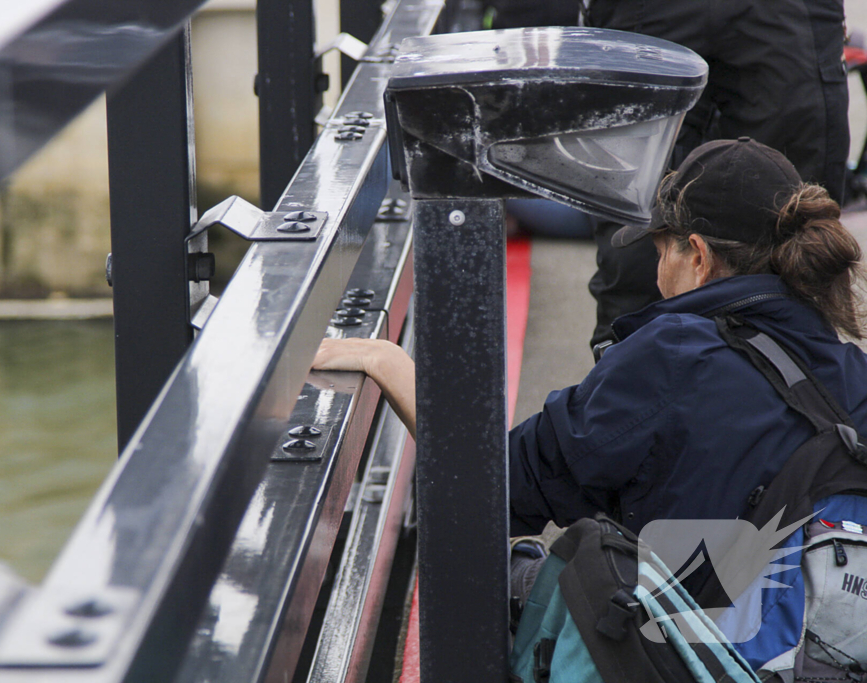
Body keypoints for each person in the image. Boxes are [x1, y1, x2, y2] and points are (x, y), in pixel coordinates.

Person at [313, 137, 867, 669]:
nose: (657, 273)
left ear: (696, 255)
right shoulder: (853, 372)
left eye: (660, 251)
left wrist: (387, 361)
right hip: (810, 656)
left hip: (688, 663)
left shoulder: (677, 354)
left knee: (498, 572)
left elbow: (499, 488)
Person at [582, 0, 850, 353]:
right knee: (636, 230)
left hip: (783, 12)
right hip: (649, 10)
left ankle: (792, 391)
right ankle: (630, 387)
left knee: (795, 227)